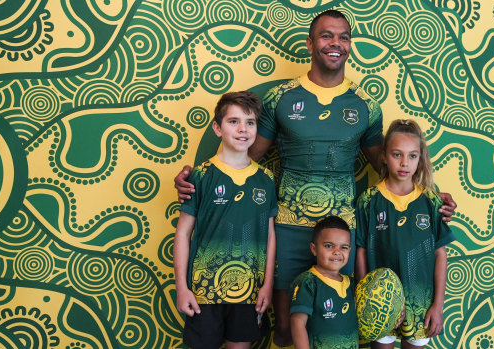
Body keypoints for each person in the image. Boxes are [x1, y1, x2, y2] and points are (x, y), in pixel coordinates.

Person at [175, 10, 457, 347]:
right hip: (288, 229)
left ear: (349, 45)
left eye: (343, 37)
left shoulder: (366, 104)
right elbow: (244, 158)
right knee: (283, 330)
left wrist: (429, 194)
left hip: (343, 232)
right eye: (327, 36)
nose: (336, 43)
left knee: (341, 329)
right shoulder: (280, 98)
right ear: (311, 43)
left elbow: (390, 166)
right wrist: (198, 179)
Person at [173, 91, 277, 349]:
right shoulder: (201, 176)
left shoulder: (266, 179)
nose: (243, 129)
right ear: (217, 128)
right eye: (234, 121)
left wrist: (267, 285)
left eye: (250, 122)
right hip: (203, 290)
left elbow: (270, 235)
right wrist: (181, 288)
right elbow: (183, 233)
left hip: (249, 292)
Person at [355, 119, 456, 349]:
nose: (404, 162)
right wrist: (365, 299)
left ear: (420, 159)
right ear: (384, 156)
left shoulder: (431, 201)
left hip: (419, 303)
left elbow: (441, 255)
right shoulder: (368, 201)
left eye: (412, 156)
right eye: (397, 154)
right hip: (380, 304)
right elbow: (360, 252)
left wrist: (438, 305)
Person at [289, 216, 358, 349]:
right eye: (329, 246)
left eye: (344, 247)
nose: (337, 252)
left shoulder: (353, 284)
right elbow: (297, 322)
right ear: (314, 249)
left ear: (350, 250)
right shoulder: (308, 282)